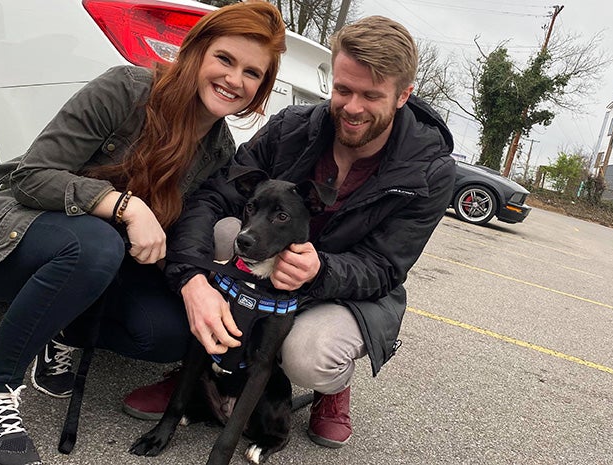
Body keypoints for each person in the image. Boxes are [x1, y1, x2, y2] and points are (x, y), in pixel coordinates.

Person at [0, 2, 286, 465]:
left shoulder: (220, 151)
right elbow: (32, 175)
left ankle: (65, 330)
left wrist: (195, 283)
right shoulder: (125, 89)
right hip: (2, 242)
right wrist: (124, 205)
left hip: (91, 268)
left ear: (261, 89)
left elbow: (188, 233)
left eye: (252, 73)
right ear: (197, 52)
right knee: (97, 243)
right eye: (224, 59)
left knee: (168, 331)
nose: (234, 79)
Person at [123, 15, 457, 449]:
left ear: (403, 95)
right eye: (343, 90)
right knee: (228, 232)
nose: (352, 107)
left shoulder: (429, 171)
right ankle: (211, 369)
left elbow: (385, 266)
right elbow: (212, 195)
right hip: (268, 271)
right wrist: (190, 275)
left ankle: (331, 389)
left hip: (342, 289)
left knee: (309, 356)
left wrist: (321, 270)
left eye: (371, 95)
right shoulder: (292, 127)